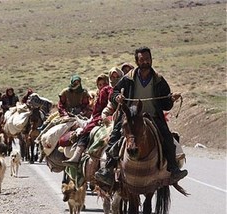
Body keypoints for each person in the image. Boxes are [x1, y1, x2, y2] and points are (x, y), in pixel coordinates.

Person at [95, 46, 187, 186]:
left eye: (148, 59)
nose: (145, 62)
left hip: (153, 116)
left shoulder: (159, 80)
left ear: (151, 60)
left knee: (167, 138)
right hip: (131, 116)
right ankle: (107, 170)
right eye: (142, 59)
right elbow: (114, 93)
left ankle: (173, 169)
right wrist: (118, 97)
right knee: (115, 136)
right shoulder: (128, 78)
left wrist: (171, 99)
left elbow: (166, 105)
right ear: (137, 61)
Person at [63, 74, 113, 165]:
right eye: (100, 85)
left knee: (86, 131)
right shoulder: (65, 92)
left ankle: (77, 156)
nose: (102, 86)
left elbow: (99, 107)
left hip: (103, 116)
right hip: (84, 115)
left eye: (103, 83)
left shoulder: (107, 90)